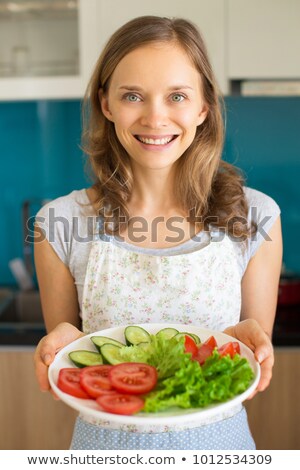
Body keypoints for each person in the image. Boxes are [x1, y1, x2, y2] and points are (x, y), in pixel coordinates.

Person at [33, 16, 282, 450]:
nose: (155, 117)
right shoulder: (59, 224)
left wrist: (250, 345)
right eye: (133, 95)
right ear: (106, 103)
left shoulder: (256, 216)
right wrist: (61, 345)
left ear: (203, 106)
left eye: (177, 96)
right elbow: (73, 358)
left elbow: (250, 358)